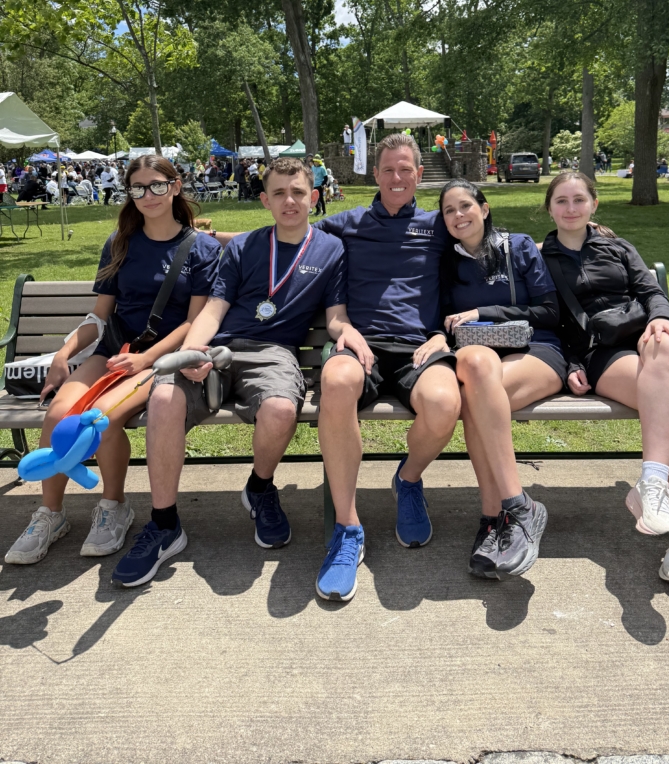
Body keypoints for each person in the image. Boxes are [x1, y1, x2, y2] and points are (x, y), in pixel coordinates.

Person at [112, 157, 367, 588]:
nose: (290, 201)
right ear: (265, 200)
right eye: (279, 193)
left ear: (314, 197)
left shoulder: (330, 250)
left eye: (298, 193)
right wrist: (193, 351)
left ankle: (260, 488)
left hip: (274, 353)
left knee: (281, 409)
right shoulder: (244, 246)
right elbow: (213, 309)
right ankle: (164, 524)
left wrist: (349, 332)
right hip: (219, 346)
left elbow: (336, 315)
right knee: (164, 397)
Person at [4, 155, 221, 567]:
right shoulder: (119, 242)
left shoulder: (201, 248)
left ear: (175, 187)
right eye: (138, 188)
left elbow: (195, 322)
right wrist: (64, 354)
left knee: (99, 419)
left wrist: (148, 360)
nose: (148, 195)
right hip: (114, 351)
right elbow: (100, 314)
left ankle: (113, 505)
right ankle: (50, 514)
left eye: (157, 185)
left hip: (162, 358)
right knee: (59, 415)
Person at [313, 133, 461, 602]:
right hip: (363, 344)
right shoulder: (347, 224)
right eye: (389, 170)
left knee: (444, 402)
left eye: (406, 169)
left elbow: (490, 240)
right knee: (336, 381)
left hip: (420, 345)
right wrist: (207, 239)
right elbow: (288, 234)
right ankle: (347, 528)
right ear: (374, 174)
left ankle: (408, 479)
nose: (397, 178)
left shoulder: (439, 225)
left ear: (419, 174)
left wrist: (584, 233)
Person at [541, 172, 669, 588]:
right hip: (604, 355)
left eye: (579, 199)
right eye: (562, 201)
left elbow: (651, 292)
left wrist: (663, 318)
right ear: (549, 208)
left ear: (594, 204)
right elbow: (549, 322)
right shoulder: (542, 258)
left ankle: (652, 483)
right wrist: (570, 363)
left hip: (651, 341)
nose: (571, 208)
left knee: (664, 344)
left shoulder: (618, 247)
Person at [438, 179, 566, 579]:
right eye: (448, 210)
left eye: (465, 206)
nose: (458, 215)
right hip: (480, 359)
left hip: (536, 351)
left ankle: (497, 518)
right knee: (476, 375)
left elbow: (549, 311)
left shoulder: (519, 247)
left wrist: (484, 313)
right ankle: (514, 511)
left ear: (485, 208)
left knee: (476, 404)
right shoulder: (445, 261)